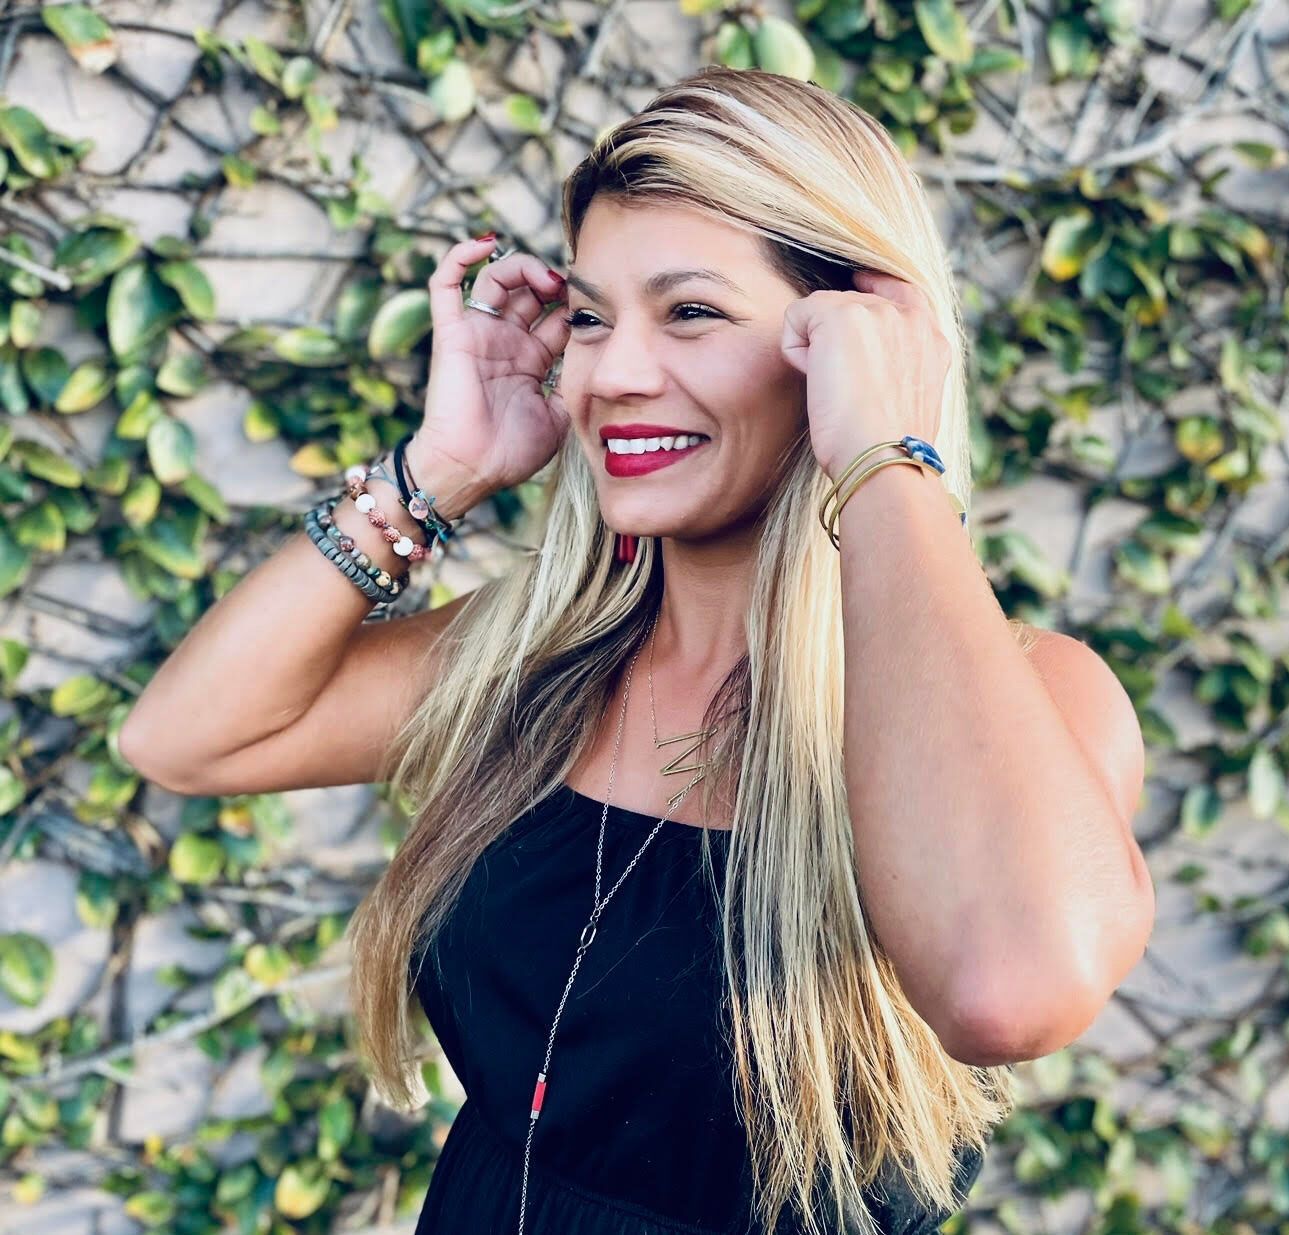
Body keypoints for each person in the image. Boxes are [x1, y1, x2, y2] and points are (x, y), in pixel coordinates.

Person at [120, 66, 1148, 1235]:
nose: (608, 374)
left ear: (854, 338)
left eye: (691, 312)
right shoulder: (533, 657)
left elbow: (1007, 989)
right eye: (594, 316)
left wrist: (884, 456)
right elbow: (187, 737)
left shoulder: (1036, 695)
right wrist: (437, 473)